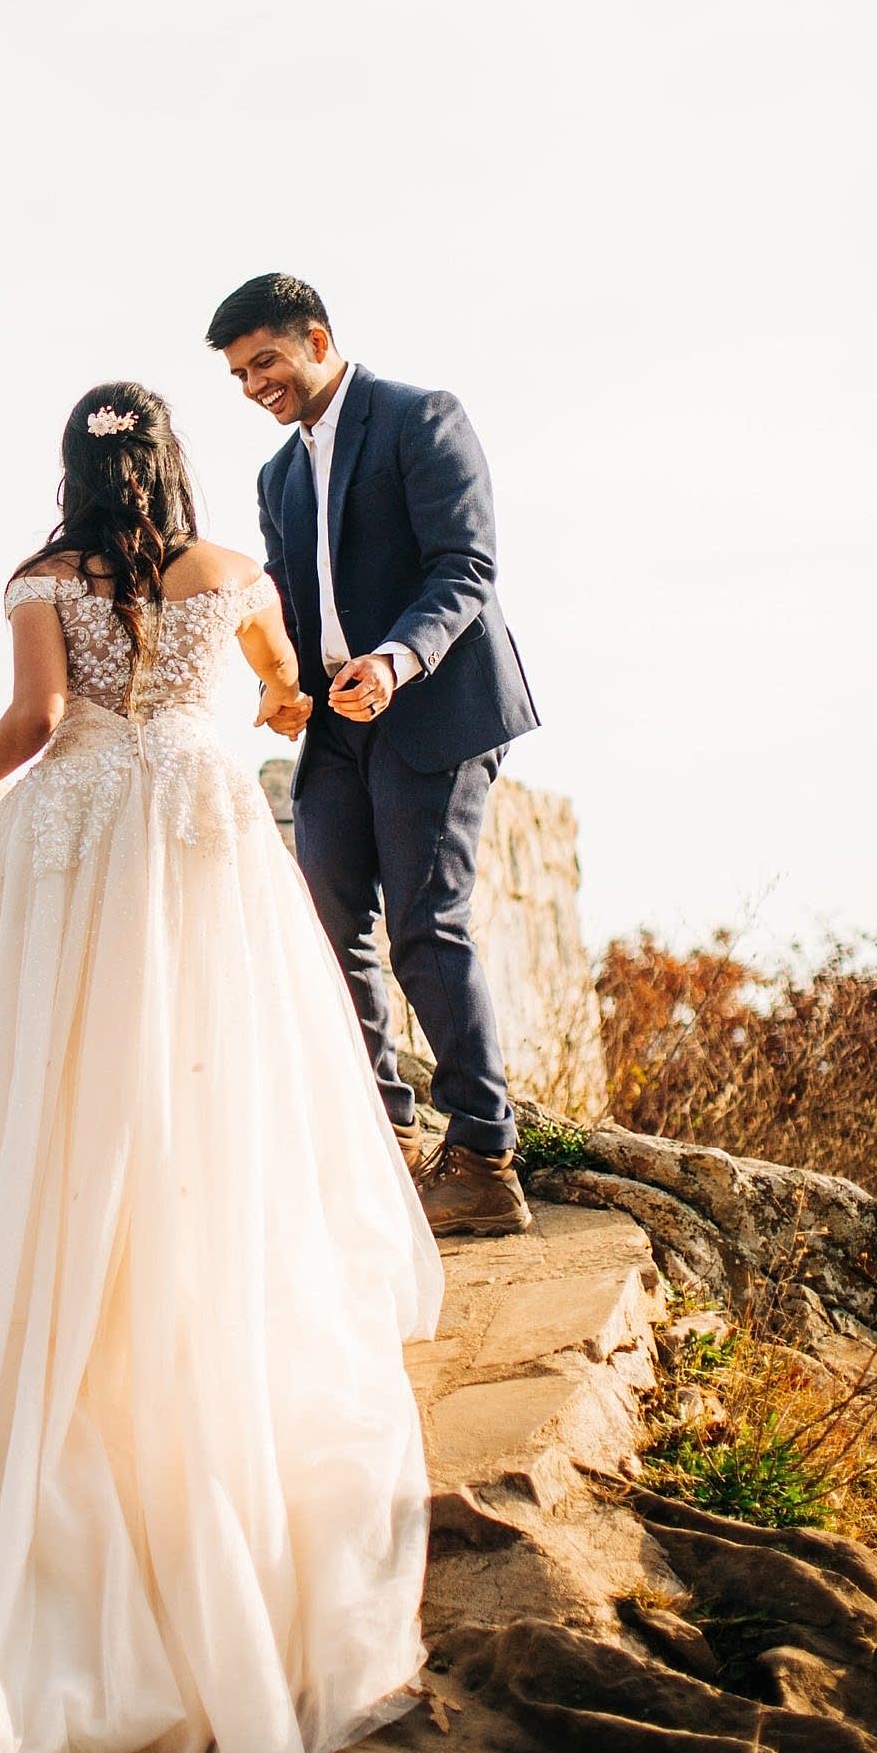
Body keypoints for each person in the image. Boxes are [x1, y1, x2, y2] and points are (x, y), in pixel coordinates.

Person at [0, 381, 442, 1753]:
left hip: (74, 841)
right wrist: (259, 698)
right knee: (209, 1076)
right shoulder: (231, 574)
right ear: (175, 465)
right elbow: (277, 691)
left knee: (40, 1076)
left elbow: (36, 718)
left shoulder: (44, 579)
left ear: (70, 469)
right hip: (193, 839)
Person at [207, 272, 540, 1240]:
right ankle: (386, 1141)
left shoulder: (417, 417)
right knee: (324, 926)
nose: (251, 386)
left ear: (315, 338)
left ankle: (481, 1156)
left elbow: (464, 565)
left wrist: (394, 662)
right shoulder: (274, 477)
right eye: (236, 375)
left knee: (425, 928)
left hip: (433, 707)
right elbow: (296, 610)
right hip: (336, 729)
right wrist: (285, 688)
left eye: (262, 361)